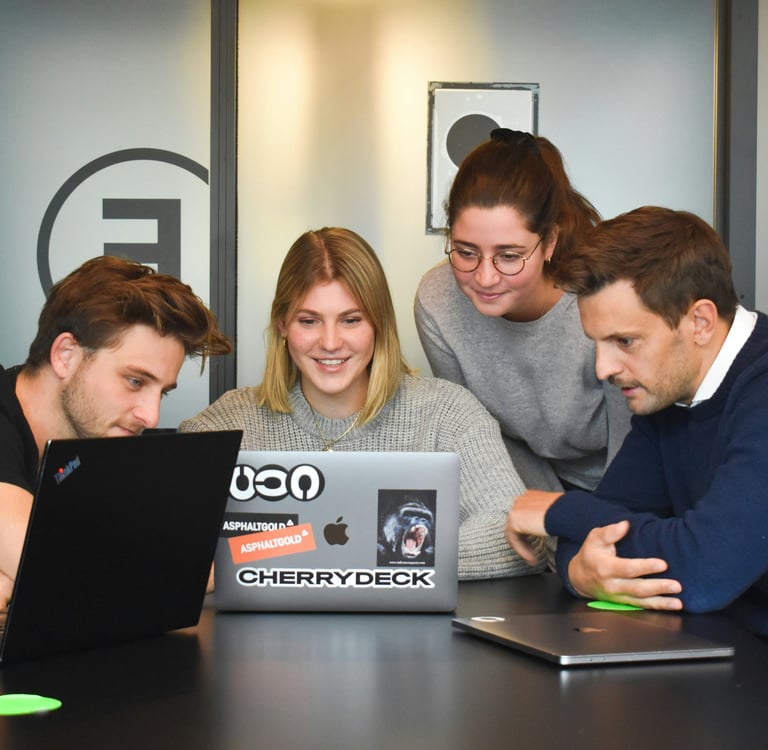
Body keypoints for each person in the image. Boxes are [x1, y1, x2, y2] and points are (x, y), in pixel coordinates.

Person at [180, 226, 545, 580]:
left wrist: (342, 555)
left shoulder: (447, 413)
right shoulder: (228, 424)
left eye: (351, 320)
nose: (330, 342)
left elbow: (519, 539)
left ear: (378, 324)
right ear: (282, 324)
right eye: (309, 321)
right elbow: (169, 543)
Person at [505, 206, 768, 635]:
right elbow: (594, 534)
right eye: (596, 343)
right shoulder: (667, 391)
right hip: (718, 649)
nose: (603, 368)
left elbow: (703, 571)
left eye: (625, 341)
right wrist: (580, 573)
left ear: (700, 321)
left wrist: (559, 509)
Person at [0, 255, 231, 603]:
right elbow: (56, 571)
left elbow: (89, 574)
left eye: (162, 392)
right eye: (135, 381)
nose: (151, 417)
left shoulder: (100, 444)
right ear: (65, 355)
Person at [415, 128, 631, 493]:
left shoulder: (605, 295)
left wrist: (586, 516)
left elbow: (634, 438)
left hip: (628, 482)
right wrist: (544, 513)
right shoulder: (437, 302)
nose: (485, 277)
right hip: (521, 486)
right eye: (466, 252)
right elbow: (474, 434)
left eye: (509, 256)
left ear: (549, 242)